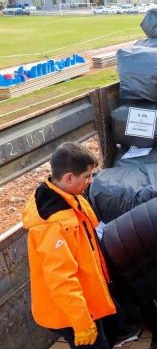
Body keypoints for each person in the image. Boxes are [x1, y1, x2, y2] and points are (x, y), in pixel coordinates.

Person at [23, 142, 116, 348]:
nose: (91, 181)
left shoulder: (69, 196)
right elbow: (61, 280)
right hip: (73, 314)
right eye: (87, 176)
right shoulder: (54, 224)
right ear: (69, 178)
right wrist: (82, 323)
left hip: (85, 301)